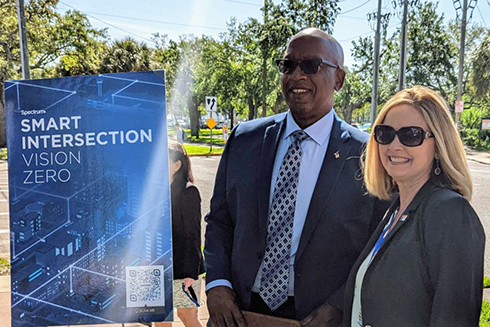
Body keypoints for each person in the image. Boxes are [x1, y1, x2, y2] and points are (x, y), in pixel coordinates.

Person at [204, 27, 388, 327]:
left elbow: (378, 248)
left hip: (318, 318)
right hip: (238, 312)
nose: (297, 75)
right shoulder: (244, 139)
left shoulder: (368, 156)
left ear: (338, 79)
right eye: (288, 65)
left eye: (311, 65)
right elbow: (220, 221)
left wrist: (340, 305)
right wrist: (217, 284)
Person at [343, 85, 485, 327]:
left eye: (411, 135)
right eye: (385, 133)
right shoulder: (394, 210)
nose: (395, 146)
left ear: (438, 145)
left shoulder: (450, 213)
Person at [157, 142, 205, 327]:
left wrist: (190, 273)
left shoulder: (188, 192)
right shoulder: (157, 192)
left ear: (177, 166)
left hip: (183, 267)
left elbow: (193, 236)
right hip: (159, 266)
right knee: (160, 320)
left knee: (187, 316)